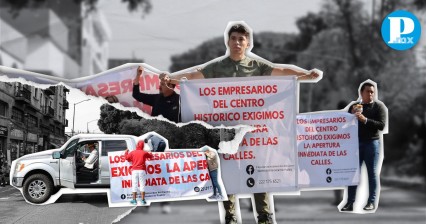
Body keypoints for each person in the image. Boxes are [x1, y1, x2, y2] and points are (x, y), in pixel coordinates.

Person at [164, 23, 321, 224]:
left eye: (241, 39)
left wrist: (305, 75)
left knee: (257, 168)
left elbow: (282, 71)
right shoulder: (217, 67)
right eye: (234, 38)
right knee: (226, 171)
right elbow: (193, 76)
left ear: (247, 43)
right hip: (225, 130)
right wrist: (172, 79)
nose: (237, 42)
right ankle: (230, 216)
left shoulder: (257, 67)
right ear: (228, 42)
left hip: (253, 130)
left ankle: (264, 216)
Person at [341, 81, 387, 212]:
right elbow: (343, 123)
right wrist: (351, 114)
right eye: (368, 91)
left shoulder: (379, 107)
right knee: (353, 174)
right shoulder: (355, 106)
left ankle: (371, 202)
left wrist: (365, 120)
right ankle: (350, 203)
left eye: (373, 92)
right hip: (355, 144)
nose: (371, 94)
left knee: (372, 173)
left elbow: (382, 125)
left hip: (372, 143)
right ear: (361, 93)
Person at [125, 140, 153, 205]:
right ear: (142, 145)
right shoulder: (144, 152)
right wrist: (150, 153)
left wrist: (126, 152)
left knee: (134, 185)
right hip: (142, 170)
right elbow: (151, 156)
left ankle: (134, 200)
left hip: (134, 171)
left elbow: (127, 158)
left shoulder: (132, 152)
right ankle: (143, 200)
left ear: (137, 145)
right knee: (142, 185)